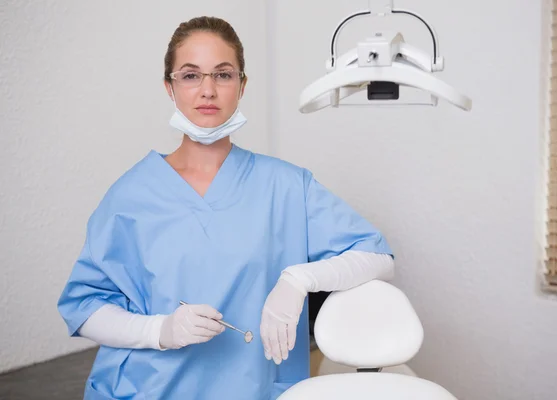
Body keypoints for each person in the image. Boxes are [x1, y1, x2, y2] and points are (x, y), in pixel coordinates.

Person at [57, 16, 395, 400]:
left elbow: (379, 257)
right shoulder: (131, 195)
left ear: (242, 85)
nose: (207, 91)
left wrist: (299, 280)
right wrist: (160, 331)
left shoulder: (286, 186)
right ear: (169, 87)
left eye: (223, 74)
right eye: (189, 75)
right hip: (147, 389)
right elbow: (84, 307)